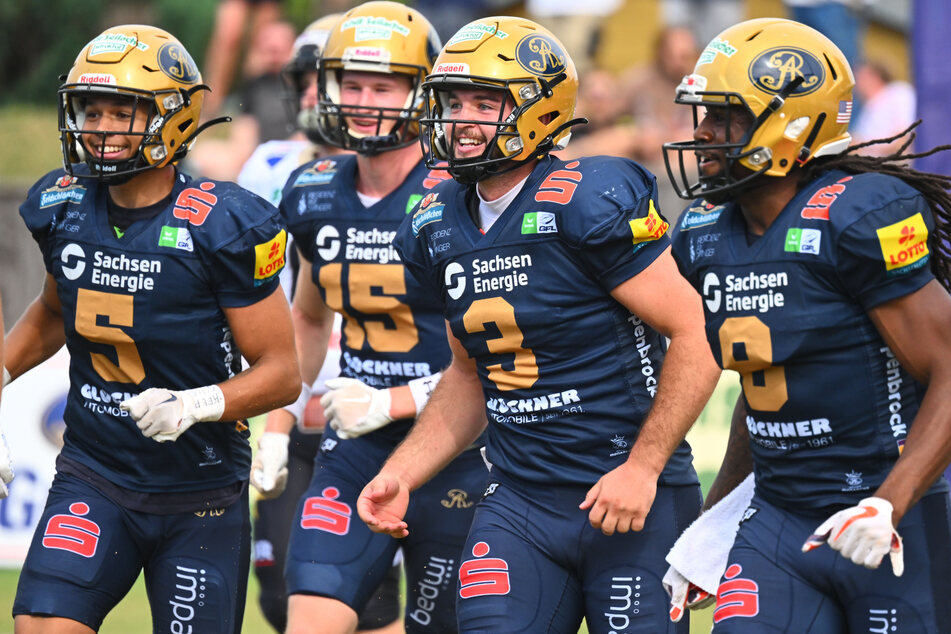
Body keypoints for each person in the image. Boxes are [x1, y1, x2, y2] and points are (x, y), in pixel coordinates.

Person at [359, 16, 721, 633]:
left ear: (537, 109)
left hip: (627, 496)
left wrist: (643, 467)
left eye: (485, 102)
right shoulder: (435, 220)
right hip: (519, 499)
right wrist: (402, 470)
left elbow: (698, 335)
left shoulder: (584, 197)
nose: (461, 119)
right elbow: (468, 375)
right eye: (452, 102)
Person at [5, 25, 301, 632]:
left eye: (124, 111)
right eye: (92, 110)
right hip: (95, 471)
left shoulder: (223, 222)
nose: (102, 127)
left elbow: (282, 373)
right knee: (41, 624)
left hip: (201, 493)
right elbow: (56, 311)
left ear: (171, 118)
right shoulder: (61, 204)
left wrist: (195, 403)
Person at [662, 17, 951, 631]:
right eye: (702, 115)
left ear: (794, 122)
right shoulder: (705, 233)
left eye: (726, 117)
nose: (705, 134)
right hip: (779, 515)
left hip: (893, 509)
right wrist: (711, 528)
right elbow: (764, 390)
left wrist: (889, 502)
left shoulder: (856, 214)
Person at [252, 3, 489, 633]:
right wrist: (278, 426)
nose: (363, 101)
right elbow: (306, 318)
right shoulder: (313, 188)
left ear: (422, 92)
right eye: (351, 84)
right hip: (352, 446)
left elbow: (504, 349)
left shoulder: (460, 194)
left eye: (383, 86)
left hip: (456, 448)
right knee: (309, 614)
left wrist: (398, 400)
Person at [238, 15, 403, 633]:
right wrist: (276, 421)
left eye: (368, 85)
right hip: (314, 405)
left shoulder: (434, 185)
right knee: (293, 598)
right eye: (315, 81)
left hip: (429, 419)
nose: (318, 96)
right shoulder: (284, 173)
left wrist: (411, 394)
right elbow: (295, 308)